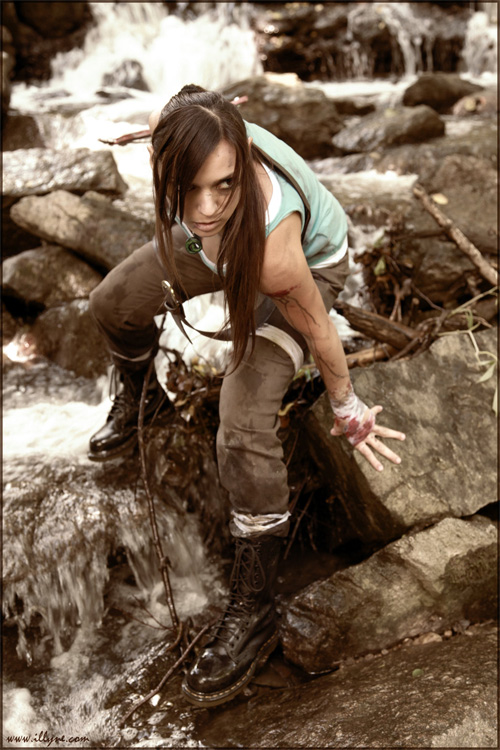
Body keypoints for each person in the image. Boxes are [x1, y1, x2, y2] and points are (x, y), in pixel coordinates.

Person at [88, 84, 406, 707]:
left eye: (223, 185)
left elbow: (320, 330)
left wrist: (347, 408)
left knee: (240, 421)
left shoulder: (277, 254)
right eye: (187, 186)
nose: (204, 207)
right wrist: (155, 136)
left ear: (240, 168)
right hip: (218, 252)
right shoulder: (174, 136)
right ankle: (144, 401)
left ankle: (255, 609)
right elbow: (172, 121)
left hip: (302, 268)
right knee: (111, 303)